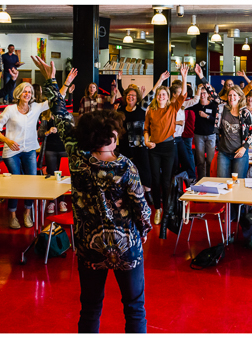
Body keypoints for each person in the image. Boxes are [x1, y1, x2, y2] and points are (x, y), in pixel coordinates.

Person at [47, 68, 150, 334]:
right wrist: (145, 230)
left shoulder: (78, 159)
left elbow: (60, 114)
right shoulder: (126, 167)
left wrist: (52, 81)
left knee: (90, 306)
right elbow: (141, 208)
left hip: (88, 246)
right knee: (134, 307)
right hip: (126, 246)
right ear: (114, 136)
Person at [0, 55, 59, 229]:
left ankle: (27, 213)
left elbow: (57, 99)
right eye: (25, 91)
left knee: (31, 181)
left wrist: (57, 80)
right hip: (12, 151)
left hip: (29, 150)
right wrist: (7, 140)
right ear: (19, 94)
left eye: (30, 92)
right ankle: (12, 215)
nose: (28, 94)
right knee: (16, 181)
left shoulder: (36, 107)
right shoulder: (10, 109)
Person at [143, 64, 189, 228]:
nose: (161, 96)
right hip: (154, 149)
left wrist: (184, 77)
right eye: (159, 94)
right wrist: (147, 141)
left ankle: (168, 209)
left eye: (164, 94)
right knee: (155, 180)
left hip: (169, 147)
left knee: (167, 180)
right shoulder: (151, 110)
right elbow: (146, 129)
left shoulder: (172, 107)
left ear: (168, 96)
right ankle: (157, 209)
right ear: (157, 96)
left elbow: (183, 94)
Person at [214, 86, 252, 179]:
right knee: (222, 182)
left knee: (238, 183)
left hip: (240, 154)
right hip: (224, 153)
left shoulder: (245, 113)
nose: (232, 97)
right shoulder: (223, 108)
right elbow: (212, 94)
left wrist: (244, 148)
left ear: (239, 97)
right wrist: (201, 76)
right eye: (230, 95)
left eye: (234, 95)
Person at [38, 87, 69, 214]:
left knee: (63, 176)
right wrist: (47, 132)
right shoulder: (45, 117)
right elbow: (40, 133)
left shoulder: (65, 115)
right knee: (52, 174)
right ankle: (51, 202)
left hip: (63, 149)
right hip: (50, 149)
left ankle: (62, 200)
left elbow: (71, 132)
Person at [186, 78, 220, 180]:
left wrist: (206, 116)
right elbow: (184, 106)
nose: (202, 95)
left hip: (211, 135)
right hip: (198, 135)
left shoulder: (213, 105)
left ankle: (209, 179)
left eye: (204, 93)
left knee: (210, 160)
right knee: (200, 161)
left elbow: (216, 121)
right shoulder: (195, 106)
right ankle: (201, 180)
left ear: (208, 94)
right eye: (200, 93)